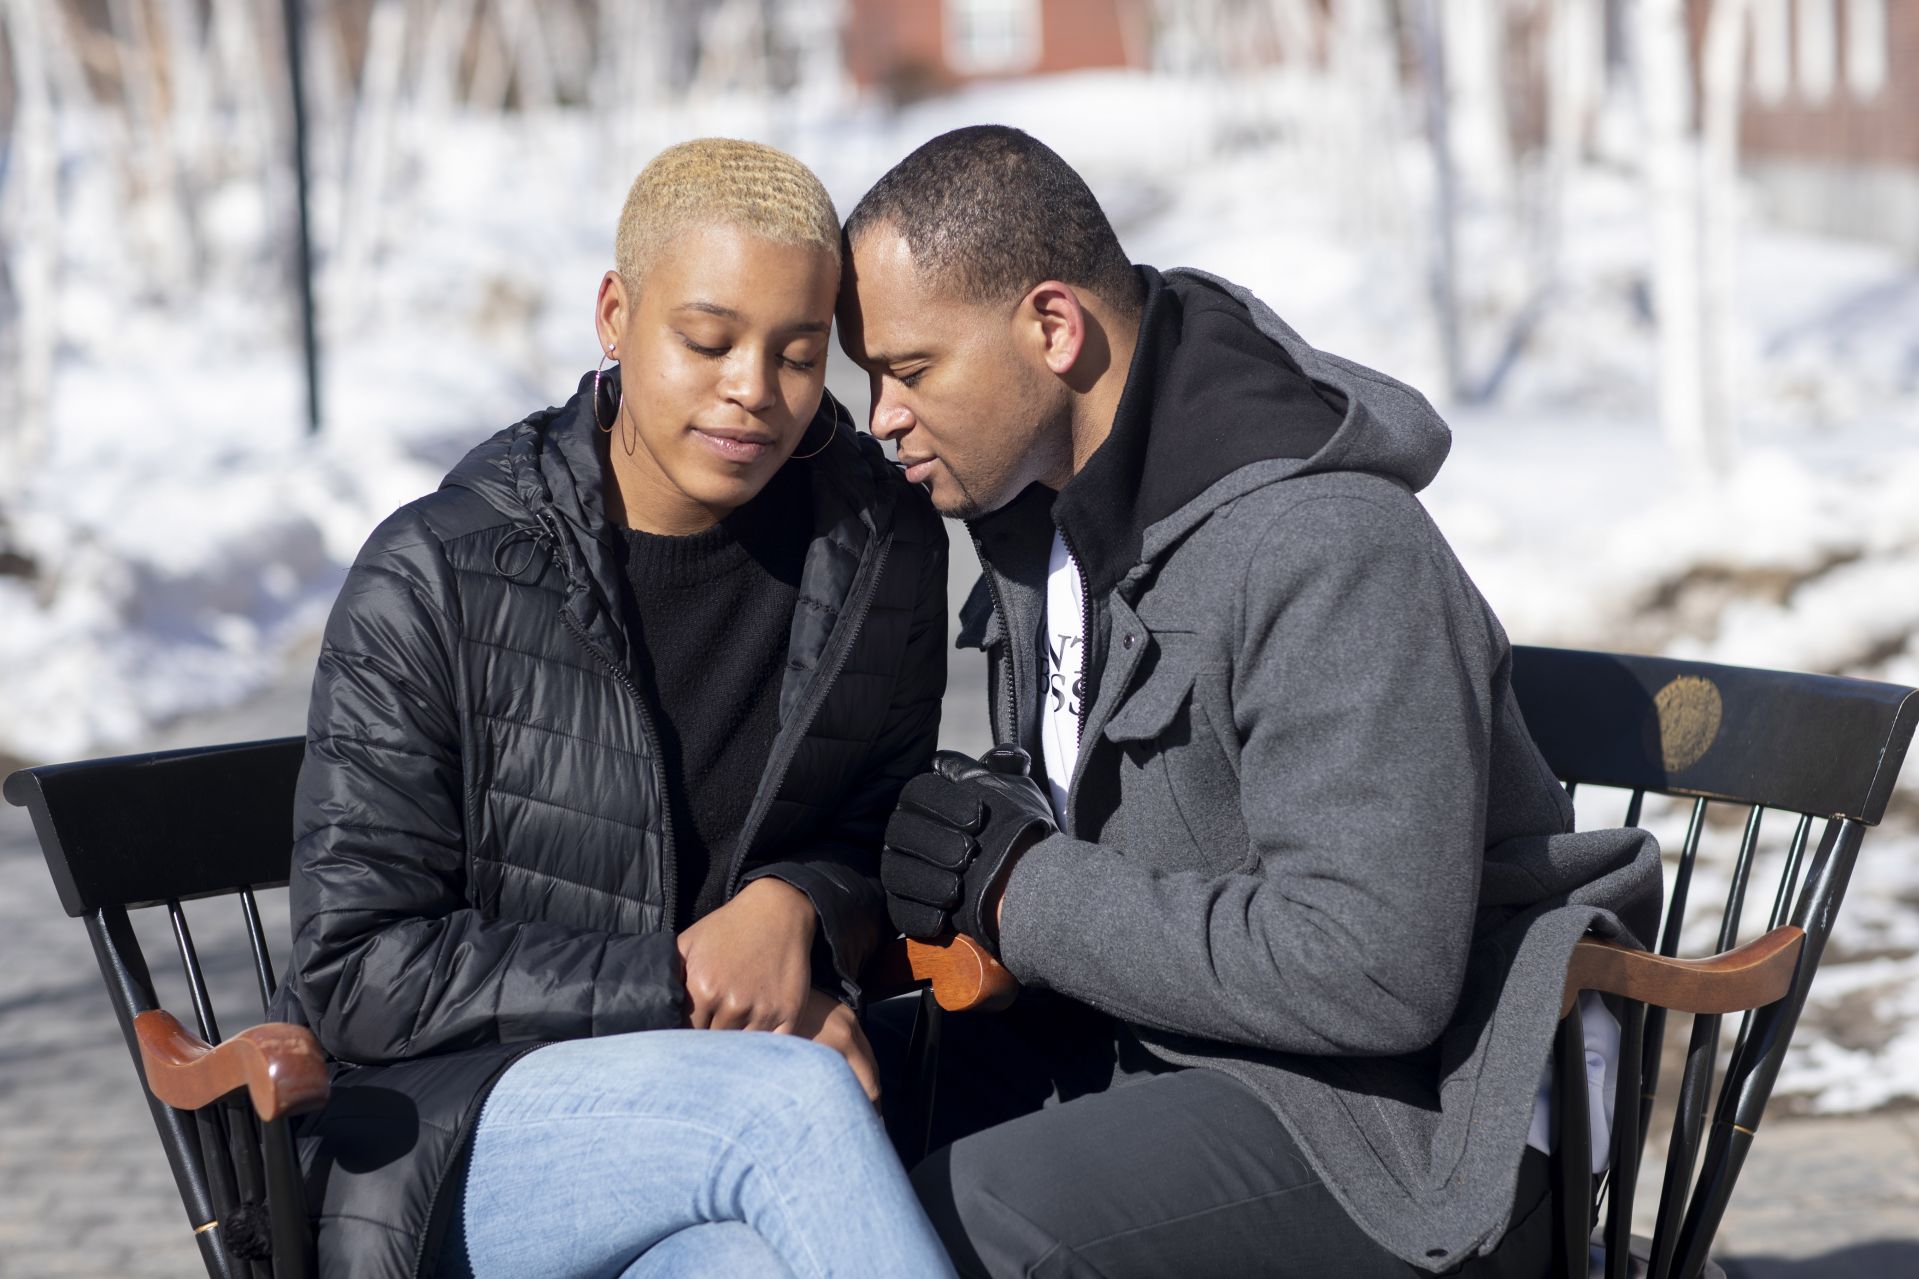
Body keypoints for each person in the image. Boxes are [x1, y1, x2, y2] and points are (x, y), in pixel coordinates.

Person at [842, 126, 1664, 1278]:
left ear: (1052, 327)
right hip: (1170, 1047)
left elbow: (1371, 970)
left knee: (973, 1220)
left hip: (1411, 1127)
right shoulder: (1043, 521)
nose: (879, 414)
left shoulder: (1328, 547)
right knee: (804, 1125)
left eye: (910, 370)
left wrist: (1022, 884)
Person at [274, 139, 956, 1279]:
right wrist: (688, 988)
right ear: (612, 315)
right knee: (783, 1104)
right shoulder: (438, 573)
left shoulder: (873, 549)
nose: (755, 388)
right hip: (437, 1139)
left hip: (714, 1129)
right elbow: (359, 969)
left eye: (797, 356)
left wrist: (797, 903)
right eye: (707, 340)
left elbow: (884, 819)